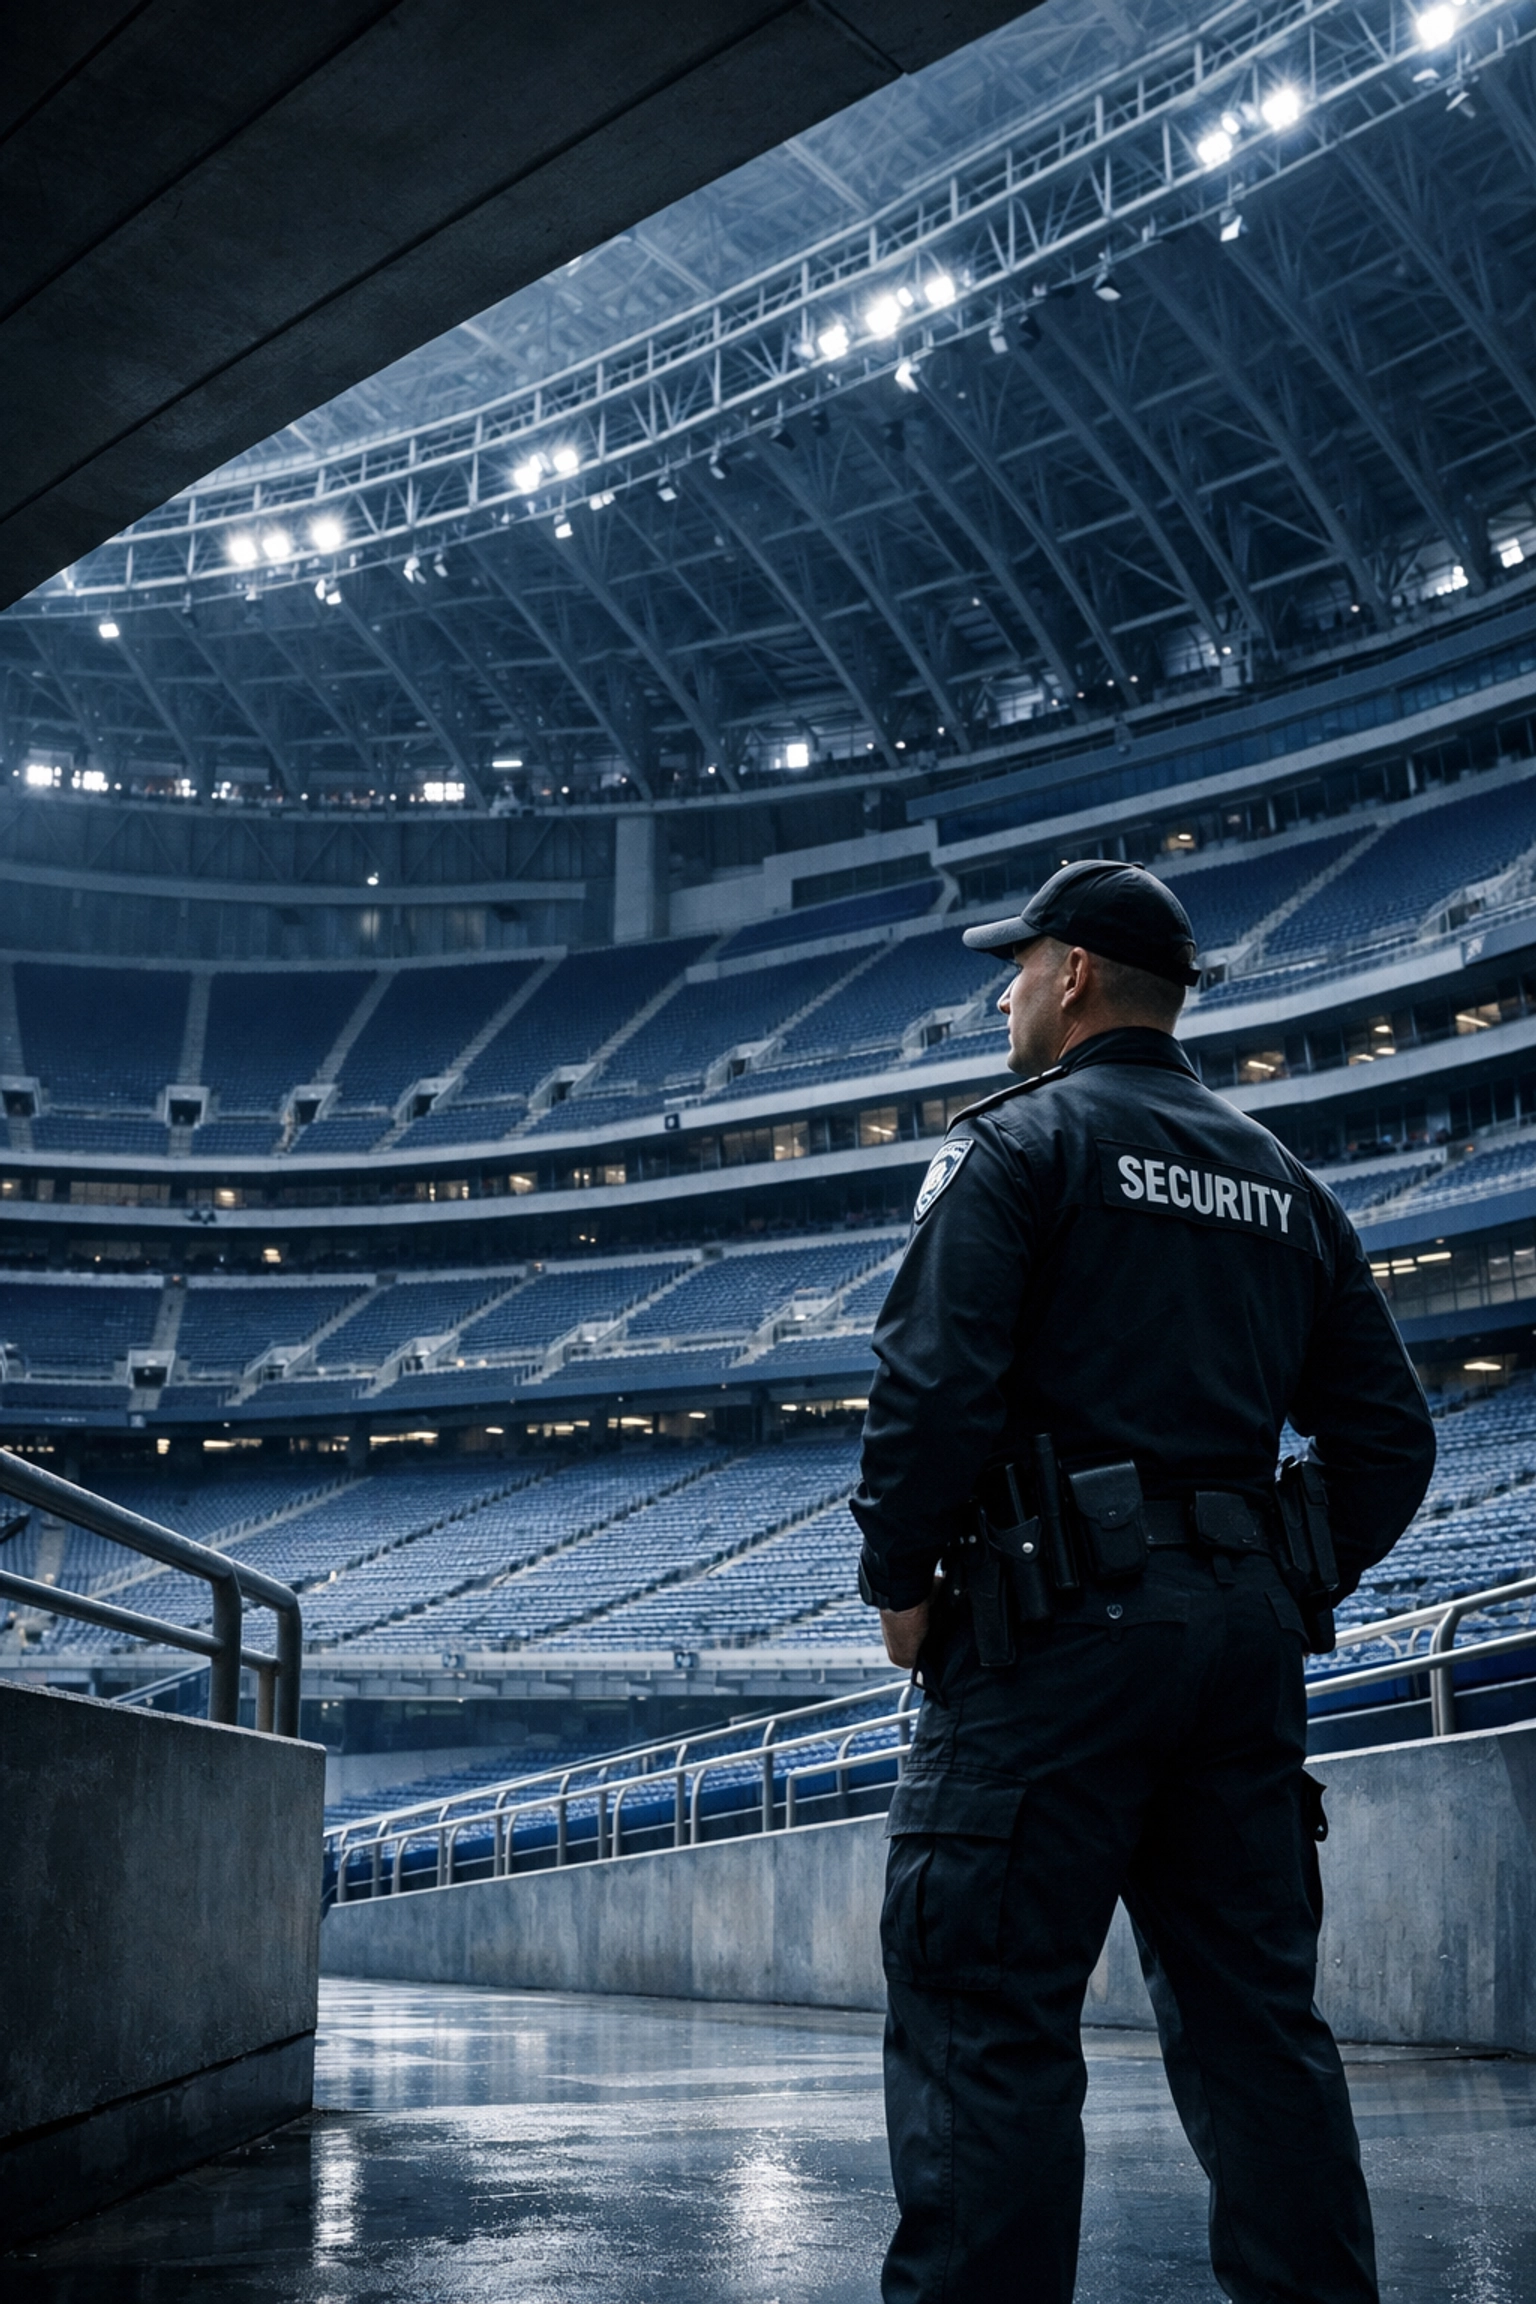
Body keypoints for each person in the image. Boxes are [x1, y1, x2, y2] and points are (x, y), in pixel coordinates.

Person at [852, 859, 1436, 2304]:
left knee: (985, 2023)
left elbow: (931, 1392)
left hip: (1046, 1646)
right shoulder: (1287, 1185)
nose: (1002, 992)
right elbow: (1391, 1441)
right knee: (1261, 2034)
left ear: (1071, 978)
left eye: (1018, 965)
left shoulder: (1018, 1148)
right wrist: (1274, 1561)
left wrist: (899, 1583)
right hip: (1239, 1656)